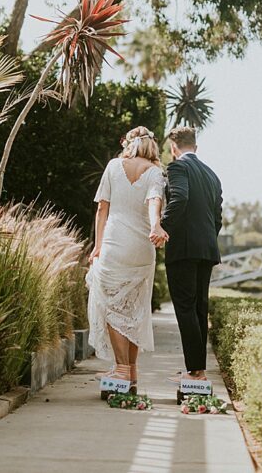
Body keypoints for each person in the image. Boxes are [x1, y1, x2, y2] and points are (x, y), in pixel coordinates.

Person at [87, 126, 168, 390]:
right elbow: (154, 200)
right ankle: (131, 372)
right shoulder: (156, 172)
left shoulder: (113, 166)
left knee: (111, 305)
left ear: (129, 144)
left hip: (115, 244)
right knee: (135, 309)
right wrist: (155, 226)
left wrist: (98, 246)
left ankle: (120, 369)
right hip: (142, 247)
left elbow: (102, 208)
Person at [157, 126, 223, 382]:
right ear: (195, 146)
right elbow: (217, 218)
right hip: (206, 248)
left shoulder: (176, 168)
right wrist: (206, 239)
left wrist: (162, 227)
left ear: (173, 148)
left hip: (183, 248)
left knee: (185, 309)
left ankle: (196, 372)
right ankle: (199, 371)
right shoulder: (212, 175)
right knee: (198, 310)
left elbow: (180, 197)